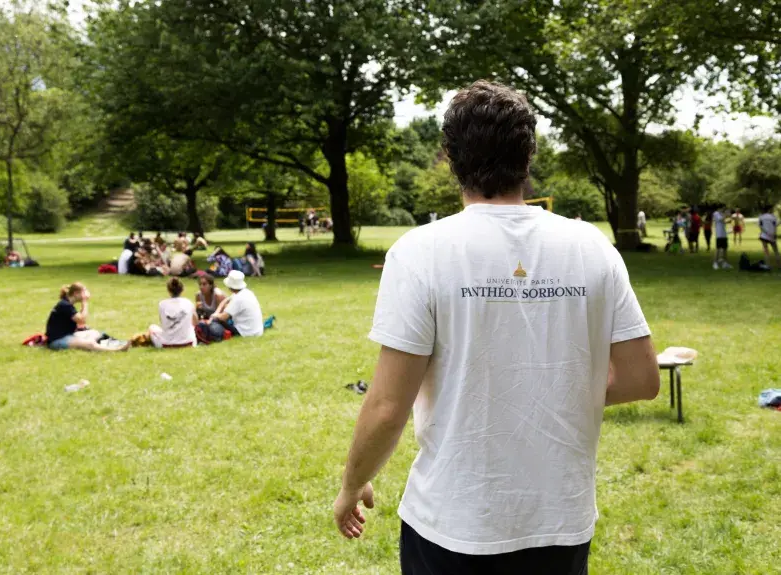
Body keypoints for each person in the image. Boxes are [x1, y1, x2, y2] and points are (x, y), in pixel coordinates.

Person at [332, 81, 660, 573]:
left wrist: (351, 485)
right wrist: (550, 389)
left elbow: (387, 407)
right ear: (529, 154)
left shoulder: (420, 252)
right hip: (560, 523)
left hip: (453, 522)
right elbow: (641, 379)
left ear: (449, 156)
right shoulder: (591, 247)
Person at [45, 283, 129, 351]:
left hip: (68, 335)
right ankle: (117, 350)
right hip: (57, 341)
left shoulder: (66, 304)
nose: (86, 294)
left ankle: (115, 344)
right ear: (76, 293)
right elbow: (82, 320)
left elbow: (79, 319)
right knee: (89, 343)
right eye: (83, 292)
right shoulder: (64, 305)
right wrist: (84, 302)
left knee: (95, 333)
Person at [201, 270, 263, 340]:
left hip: (245, 332)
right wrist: (216, 313)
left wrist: (214, 316)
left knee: (215, 322)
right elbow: (225, 300)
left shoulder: (238, 299)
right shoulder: (246, 292)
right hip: (257, 330)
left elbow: (223, 317)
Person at [148, 277, 197, 348]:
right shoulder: (188, 302)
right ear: (182, 289)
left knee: (152, 327)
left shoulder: (162, 304)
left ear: (168, 290)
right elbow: (196, 322)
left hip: (166, 344)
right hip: (189, 343)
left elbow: (163, 323)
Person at [758, 205, 780, 270]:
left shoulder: (761, 217)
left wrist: (766, 232)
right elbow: (775, 225)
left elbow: (760, 226)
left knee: (766, 251)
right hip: (772, 235)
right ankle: (779, 265)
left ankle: (768, 265)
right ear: (770, 210)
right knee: (776, 251)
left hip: (764, 236)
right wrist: (774, 234)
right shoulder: (773, 217)